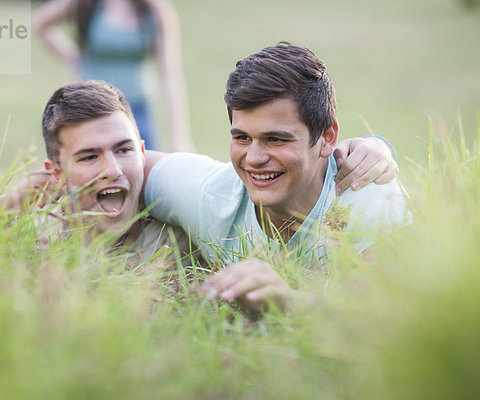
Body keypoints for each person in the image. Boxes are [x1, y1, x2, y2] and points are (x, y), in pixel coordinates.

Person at [143, 42, 411, 313]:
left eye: (275, 139)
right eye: (242, 138)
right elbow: (125, 167)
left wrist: (286, 303)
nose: (255, 157)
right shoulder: (211, 194)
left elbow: (382, 319)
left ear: (327, 138)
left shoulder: (371, 199)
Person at [29, 79, 195, 267]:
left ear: (142, 154)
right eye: (89, 157)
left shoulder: (186, 238)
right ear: (57, 175)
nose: (113, 170)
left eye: (123, 150)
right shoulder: (33, 242)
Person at [32, 0, 193, 152]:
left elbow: (170, 76)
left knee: (143, 172)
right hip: (90, 109)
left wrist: (180, 138)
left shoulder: (153, 9)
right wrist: (75, 59)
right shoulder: (86, 4)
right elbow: (40, 24)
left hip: (137, 110)